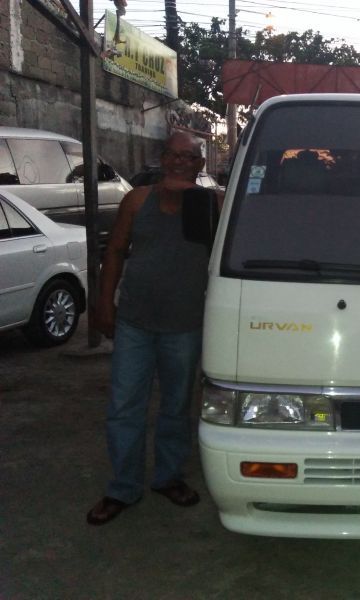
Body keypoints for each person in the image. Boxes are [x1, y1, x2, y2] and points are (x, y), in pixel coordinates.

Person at [87, 132, 222, 525]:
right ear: (163, 159)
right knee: (124, 406)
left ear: (200, 165)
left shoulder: (213, 203)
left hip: (185, 324)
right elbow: (114, 250)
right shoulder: (137, 200)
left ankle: (168, 477)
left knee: (176, 407)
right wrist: (103, 303)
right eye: (173, 154)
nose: (179, 161)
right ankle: (122, 488)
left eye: (189, 156)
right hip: (135, 321)